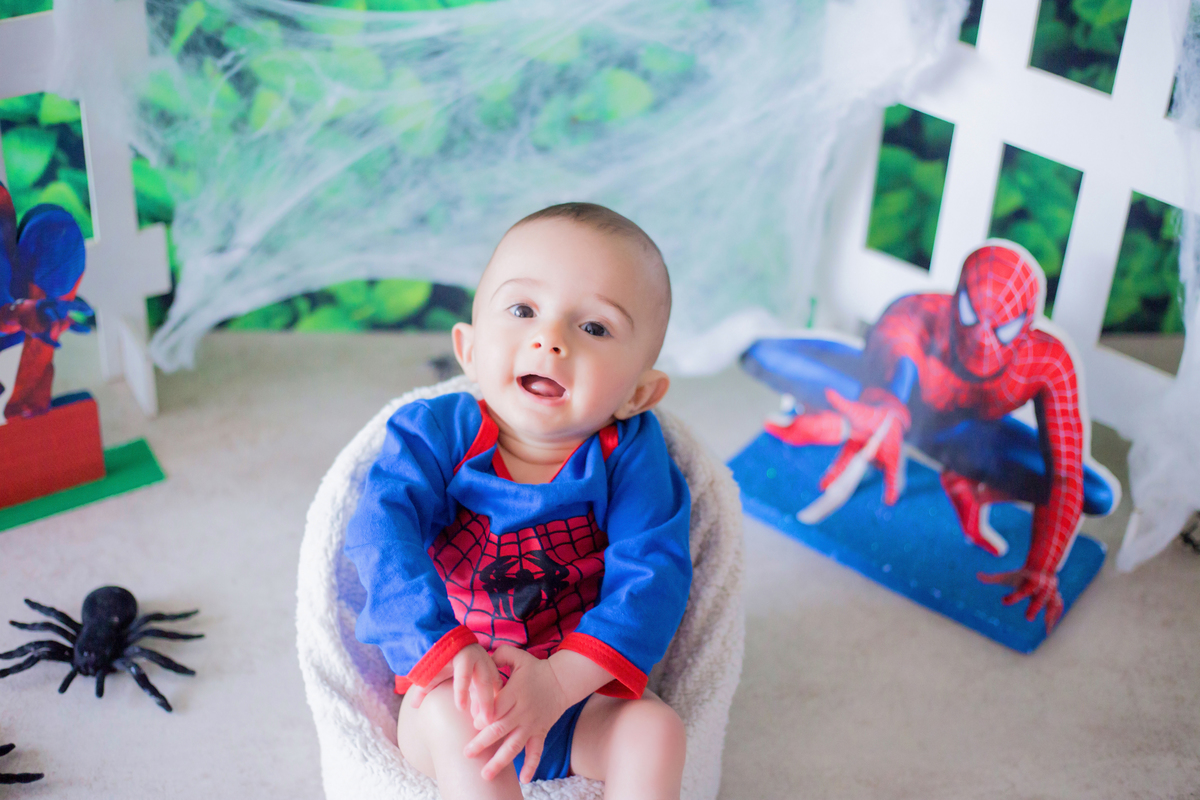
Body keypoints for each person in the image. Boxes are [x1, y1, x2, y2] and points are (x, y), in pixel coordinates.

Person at [345, 202, 692, 799]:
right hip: (454, 688)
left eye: (594, 327)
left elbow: (652, 577)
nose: (549, 339)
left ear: (639, 392)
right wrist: (444, 651)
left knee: (657, 731)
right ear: (471, 349)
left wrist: (559, 684)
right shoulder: (433, 432)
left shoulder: (629, 451)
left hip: (575, 696)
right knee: (461, 730)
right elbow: (380, 534)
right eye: (524, 309)